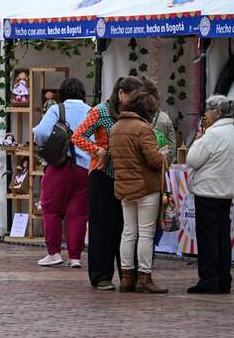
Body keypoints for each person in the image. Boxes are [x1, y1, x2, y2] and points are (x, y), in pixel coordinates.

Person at [72, 76, 148, 290]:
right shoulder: (100, 111)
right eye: (133, 97)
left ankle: (128, 274)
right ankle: (101, 275)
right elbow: (77, 136)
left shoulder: (137, 114)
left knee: (128, 227)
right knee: (102, 227)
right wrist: (97, 150)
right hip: (103, 174)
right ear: (121, 93)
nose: (136, 102)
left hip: (128, 176)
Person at [110, 81, 169, 294]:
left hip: (124, 188)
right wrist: (163, 155)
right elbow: (154, 160)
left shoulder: (116, 128)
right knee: (145, 233)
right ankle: (144, 277)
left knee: (128, 232)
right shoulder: (143, 129)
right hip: (145, 188)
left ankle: (126, 277)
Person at [185, 95, 234, 294]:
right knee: (222, 236)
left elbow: (192, 159)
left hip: (207, 191)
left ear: (217, 112)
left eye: (207, 111)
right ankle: (223, 279)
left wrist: (199, 139)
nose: (205, 116)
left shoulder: (213, 134)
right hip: (225, 192)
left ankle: (208, 279)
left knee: (207, 237)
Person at [33, 77, 92, 268]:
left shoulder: (57, 109)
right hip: (85, 168)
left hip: (60, 164)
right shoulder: (91, 111)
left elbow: (41, 132)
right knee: (78, 213)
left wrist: (45, 146)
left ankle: (54, 253)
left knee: (51, 209)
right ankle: (75, 257)